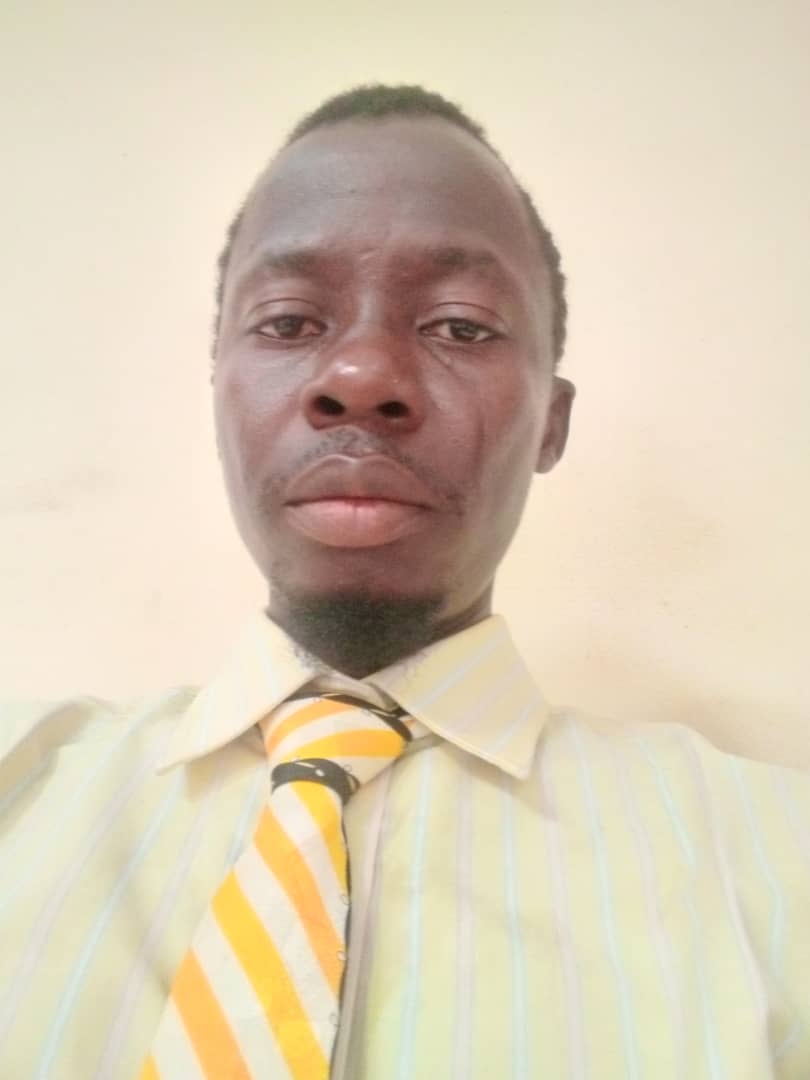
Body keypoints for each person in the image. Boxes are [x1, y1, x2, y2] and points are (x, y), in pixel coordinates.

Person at [1, 84, 808, 1080]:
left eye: (461, 326)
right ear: (220, 396)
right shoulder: (18, 780)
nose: (361, 375)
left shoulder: (778, 861)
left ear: (551, 424)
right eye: (289, 321)